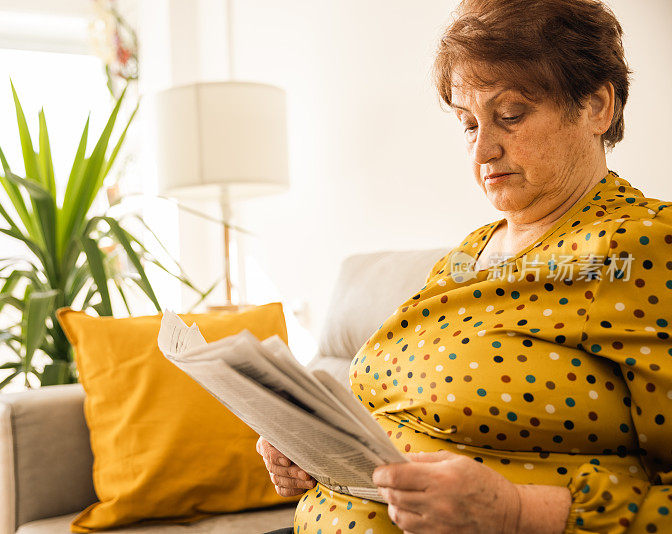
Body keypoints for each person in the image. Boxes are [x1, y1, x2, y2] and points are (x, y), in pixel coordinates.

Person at [257, 0, 672, 532]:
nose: (482, 150)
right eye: (468, 123)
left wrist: (517, 512)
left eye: (511, 115)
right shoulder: (469, 254)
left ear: (596, 106)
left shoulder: (639, 248)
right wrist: (314, 456)